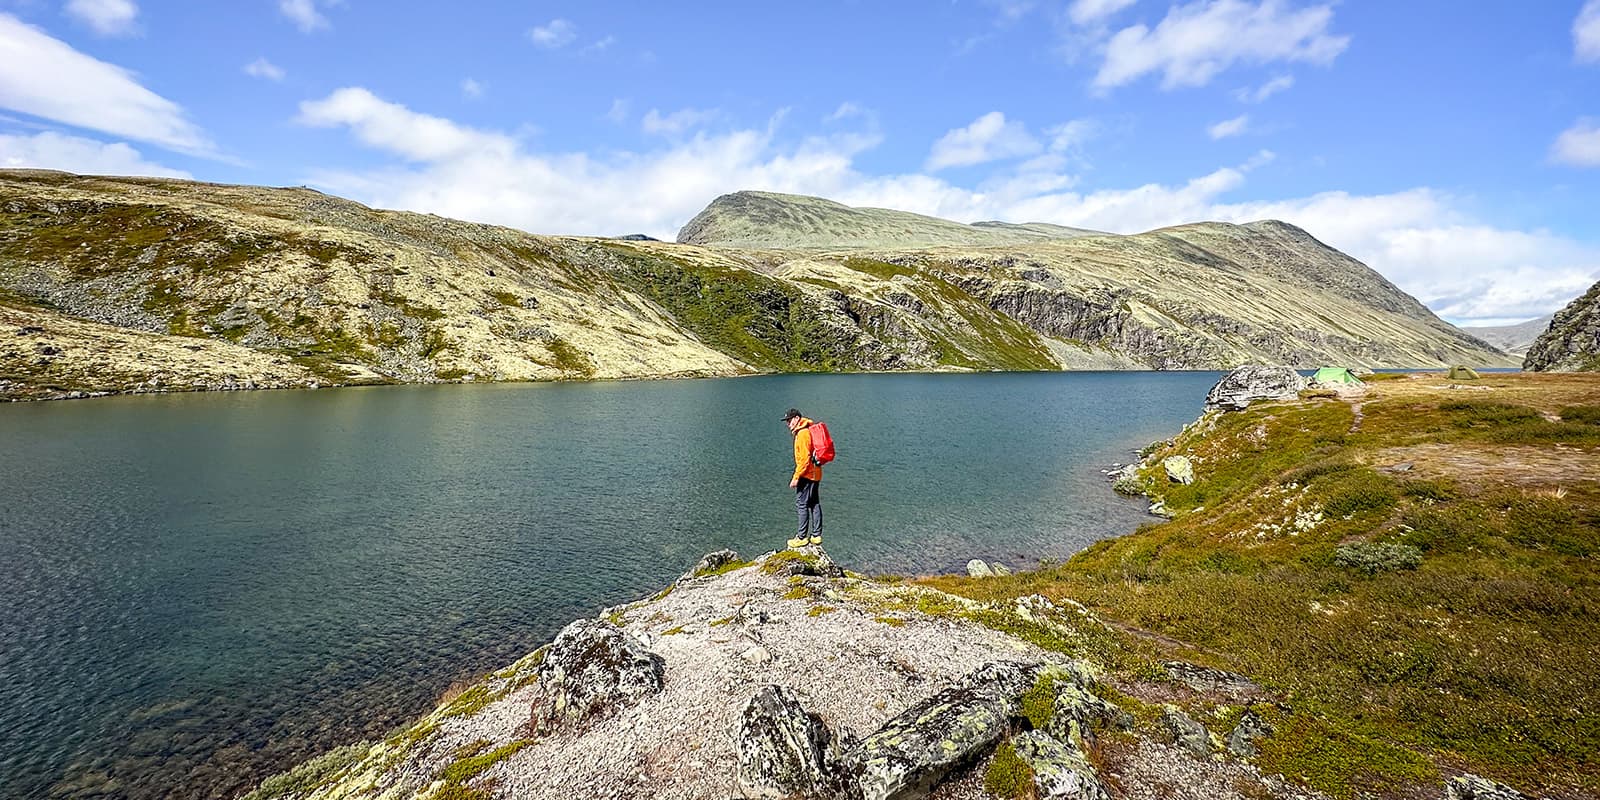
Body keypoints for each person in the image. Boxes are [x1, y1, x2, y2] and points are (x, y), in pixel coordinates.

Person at [782, 408, 822, 548]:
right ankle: (816, 535)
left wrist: (796, 477)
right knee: (814, 503)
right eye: (787, 421)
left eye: (790, 420)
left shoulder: (803, 434)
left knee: (802, 504)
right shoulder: (807, 430)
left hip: (806, 475)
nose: (788, 423)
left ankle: (801, 537)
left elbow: (804, 460)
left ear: (797, 418)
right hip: (815, 474)